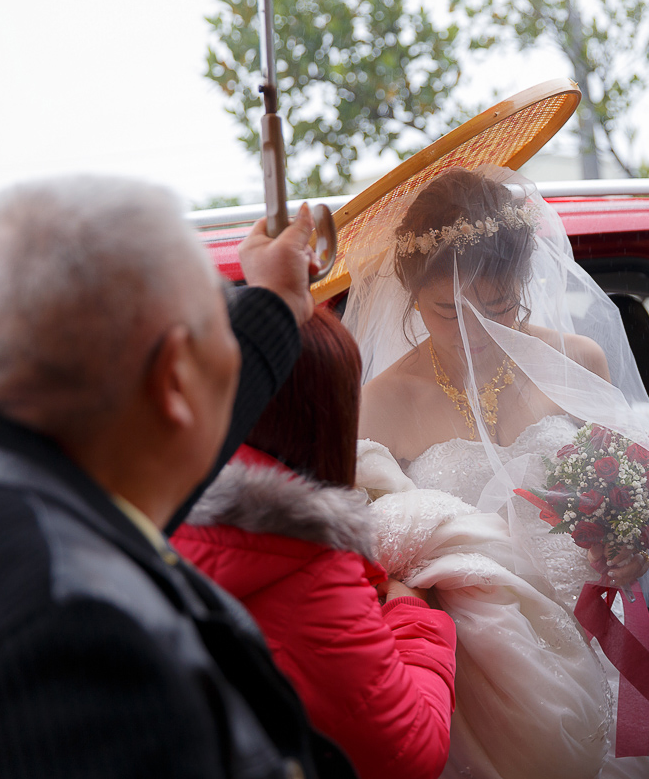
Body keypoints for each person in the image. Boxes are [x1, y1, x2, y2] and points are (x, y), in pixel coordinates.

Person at [343, 166, 649, 778]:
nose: (476, 331)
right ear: (409, 291)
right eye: (449, 311)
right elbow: (368, 561)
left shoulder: (576, 361)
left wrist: (629, 549)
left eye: (498, 304)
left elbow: (622, 494)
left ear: (524, 282)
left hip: (596, 641)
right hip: (479, 672)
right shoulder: (379, 402)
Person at [0, 176, 356, 778]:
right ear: (175, 378)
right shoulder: (81, 641)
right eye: (224, 319)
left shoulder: (40, 495)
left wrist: (280, 302)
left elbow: (164, 439)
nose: (234, 351)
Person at [171, 307, 457, 779]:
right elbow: (412, 753)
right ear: (330, 416)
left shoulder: (150, 506)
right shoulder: (312, 576)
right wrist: (413, 618)